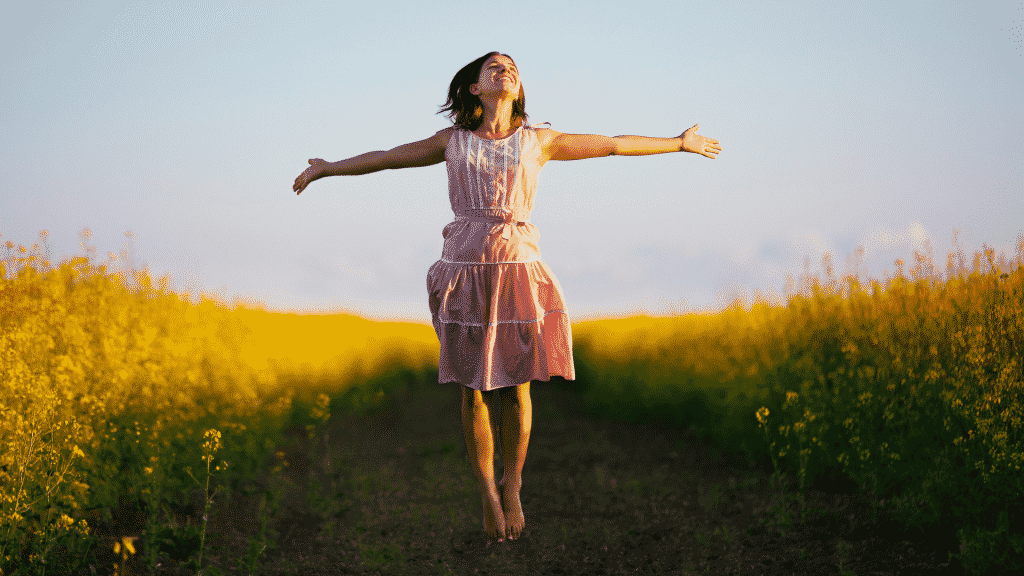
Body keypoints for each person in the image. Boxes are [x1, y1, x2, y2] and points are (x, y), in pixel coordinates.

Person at [292, 51, 721, 543]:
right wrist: (328, 168)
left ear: (518, 91)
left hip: (519, 271)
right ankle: (487, 494)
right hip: (464, 272)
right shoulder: (451, 142)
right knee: (473, 389)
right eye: (494, 66)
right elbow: (388, 158)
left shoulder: (538, 141)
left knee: (518, 386)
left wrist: (679, 144)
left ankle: (512, 483)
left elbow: (614, 145)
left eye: (513, 68)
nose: (506, 70)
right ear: (473, 88)